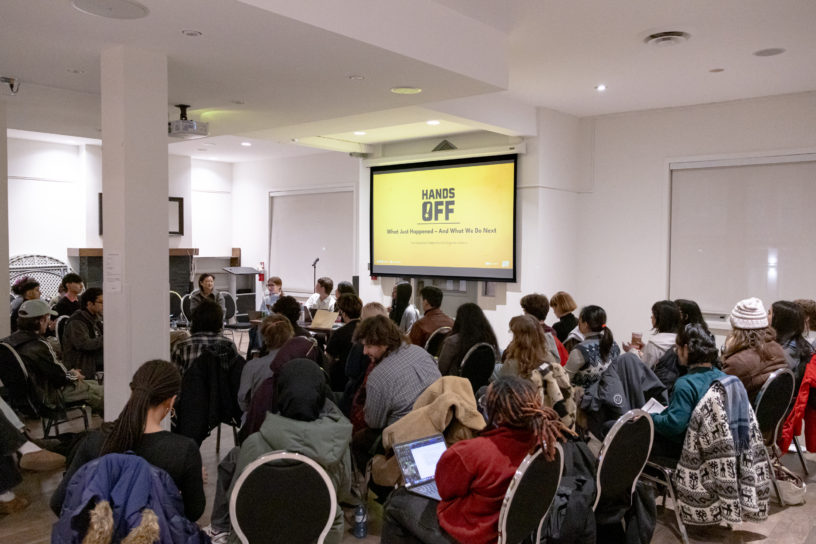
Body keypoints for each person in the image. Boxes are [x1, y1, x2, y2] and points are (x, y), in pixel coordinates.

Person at [381, 376, 572, 544]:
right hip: (513, 531)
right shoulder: (544, 443)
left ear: (498, 414)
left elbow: (445, 490)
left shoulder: (472, 453)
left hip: (472, 535)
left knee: (397, 502)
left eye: (486, 403)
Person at [207, 359, 353, 544]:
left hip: (258, 536)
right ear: (322, 395)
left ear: (280, 393)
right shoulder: (338, 445)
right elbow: (343, 493)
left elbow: (236, 499)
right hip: (318, 537)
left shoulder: (253, 445)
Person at [50, 360, 205, 521]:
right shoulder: (183, 451)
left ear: (132, 392)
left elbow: (59, 503)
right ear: (171, 401)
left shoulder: (94, 441)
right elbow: (193, 512)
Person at [3, 300, 103, 413]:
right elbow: (60, 378)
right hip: (50, 396)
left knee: (94, 385)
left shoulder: (7, 343)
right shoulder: (39, 345)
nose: (49, 321)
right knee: (105, 394)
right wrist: (74, 375)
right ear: (41, 321)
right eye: (48, 317)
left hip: (28, 398)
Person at [650, 324, 726, 460]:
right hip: (718, 447)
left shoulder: (685, 384)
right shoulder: (724, 377)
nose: (676, 352)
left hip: (689, 451)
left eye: (677, 348)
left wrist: (650, 418)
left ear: (685, 349)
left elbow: (674, 426)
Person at [495, 315, 574, 427]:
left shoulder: (513, 363)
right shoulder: (550, 357)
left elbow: (502, 388)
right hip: (549, 413)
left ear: (518, 337)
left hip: (522, 416)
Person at [722, 297, 787, 401]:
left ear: (736, 329)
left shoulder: (737, 362)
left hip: (743, 414)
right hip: (771, 413)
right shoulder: (777, 348)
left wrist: (726, 354)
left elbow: (720, 394)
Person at [237, 313, 293, 412]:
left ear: (264, 339)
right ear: (290, 336)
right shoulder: (300, 364)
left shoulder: (252, 366)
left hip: (258, 420)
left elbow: (243, 401)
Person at [171, 300, 239, 377]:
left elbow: (174, 380)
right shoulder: (229, 345)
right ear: (219, 322)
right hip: (221, 388)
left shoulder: (180, 346)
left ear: (194, 321)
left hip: (191, 387)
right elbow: (235, 378)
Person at [564, 305, 620, 387]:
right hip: (610, 395)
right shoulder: (614, 345)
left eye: (579, 321)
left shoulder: (580, 350)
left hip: (584, 398)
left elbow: (565, 379)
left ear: (585, 324)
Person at [437, 303, 499, 376]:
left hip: (455, 383)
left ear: (459, 320)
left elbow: (440, 370)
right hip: (480, 384)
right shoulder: (488, 339)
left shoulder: (453, 341)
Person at [62, 287, 104, 379]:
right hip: (82, 369)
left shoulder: (95, 318)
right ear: (89, 303)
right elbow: (85, 344)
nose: (104, 305)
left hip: (94, 362)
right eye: (101, 302)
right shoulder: (76, 322)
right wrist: (107, 338)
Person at [325, 293, 362, 392]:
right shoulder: (367, 329)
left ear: (343, 313)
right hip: (362, 379)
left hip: (342, 382)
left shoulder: (340, 333)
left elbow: (328, 358)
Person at [520, 293, 568, 363]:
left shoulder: (527, 333)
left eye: (524, 311)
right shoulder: (552, 332)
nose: (524, 315)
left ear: (529, 313)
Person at [633, 300, 681, 369]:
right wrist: (645, 348)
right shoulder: (681, 340)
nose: (651, 317)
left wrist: (633, 352)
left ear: (661, 319)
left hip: (657, 378)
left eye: (653, 314)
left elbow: (645, 369)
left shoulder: (655, 343)